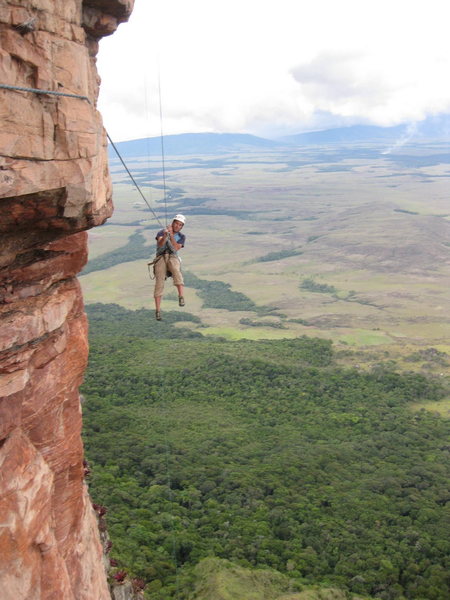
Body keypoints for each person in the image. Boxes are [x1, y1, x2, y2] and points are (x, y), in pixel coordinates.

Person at [153, 214, 186, 321]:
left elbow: (176, 248)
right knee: (159, 281)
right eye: (176, 223)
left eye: (180, 225)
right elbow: (160, 243)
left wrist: (171, 235)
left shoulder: (181, 237)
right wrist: (166, 235)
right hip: (161, 257)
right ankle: (158, 310)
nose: (177, 226)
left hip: (172, 256)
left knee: (176, 271)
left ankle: (181, 297)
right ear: (173, 223)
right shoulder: (161, 232)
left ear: (181, 227)